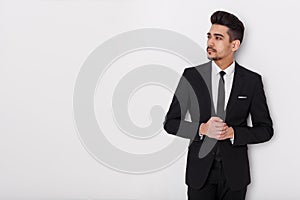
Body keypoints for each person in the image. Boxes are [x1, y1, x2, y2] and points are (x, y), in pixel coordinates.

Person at [163, 10, 273, 200]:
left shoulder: (252, 81)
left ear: (234, 44)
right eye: (209, 36)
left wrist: (233, 133)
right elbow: (171, 123)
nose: (210, 43)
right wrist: (202, 129)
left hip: (235, 176)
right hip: (199, 174)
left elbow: (265, 130)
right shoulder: (191, 77)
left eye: (218, 38)